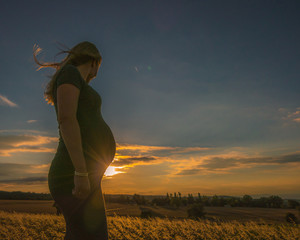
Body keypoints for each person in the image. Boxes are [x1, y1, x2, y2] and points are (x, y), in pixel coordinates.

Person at [33, 41, 116, 239]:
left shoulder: (71, 76)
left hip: (84, 175)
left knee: (82, 235)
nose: (94, 75)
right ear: (94, 62)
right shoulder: (70, 73)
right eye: (97, 68)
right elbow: (67, 119)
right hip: (74, 172)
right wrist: (80, 171)